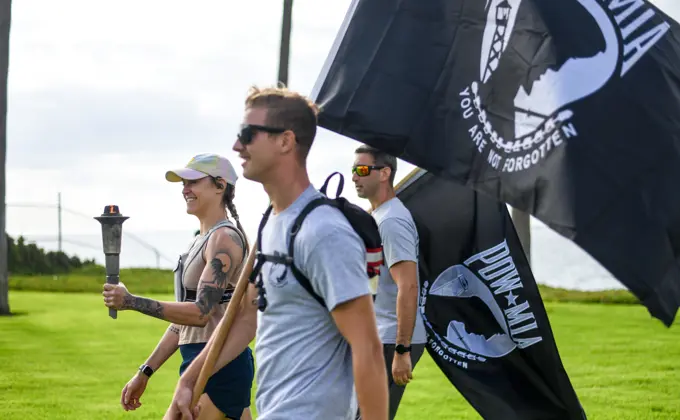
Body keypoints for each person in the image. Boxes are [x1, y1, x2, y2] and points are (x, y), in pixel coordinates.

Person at [164, 85, 389, 420]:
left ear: (285, 141)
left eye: (247, 134)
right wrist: (190, 378)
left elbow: (368, 349)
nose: (237, 145)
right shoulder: (272, 222)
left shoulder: (323, 232)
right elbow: (245, 317)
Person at [101, 153, 254, 420]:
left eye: (193, 182)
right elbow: (183, 324)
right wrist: (146, 370)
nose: (185, 189)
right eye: (183, 183)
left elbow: (199, 313)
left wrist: (131, 301)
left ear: (220, 186)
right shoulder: (201, 240)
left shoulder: (224, 239)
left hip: (217, 364)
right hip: (200, 359)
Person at [351, 144, 428, 420]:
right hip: (377, 335)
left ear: (385, 173)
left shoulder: (392, 220)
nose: (354, 177)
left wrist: (402, 349)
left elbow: (407, 285)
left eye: (361, 169)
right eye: (353, 170)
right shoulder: (378, 217)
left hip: (391, 339)